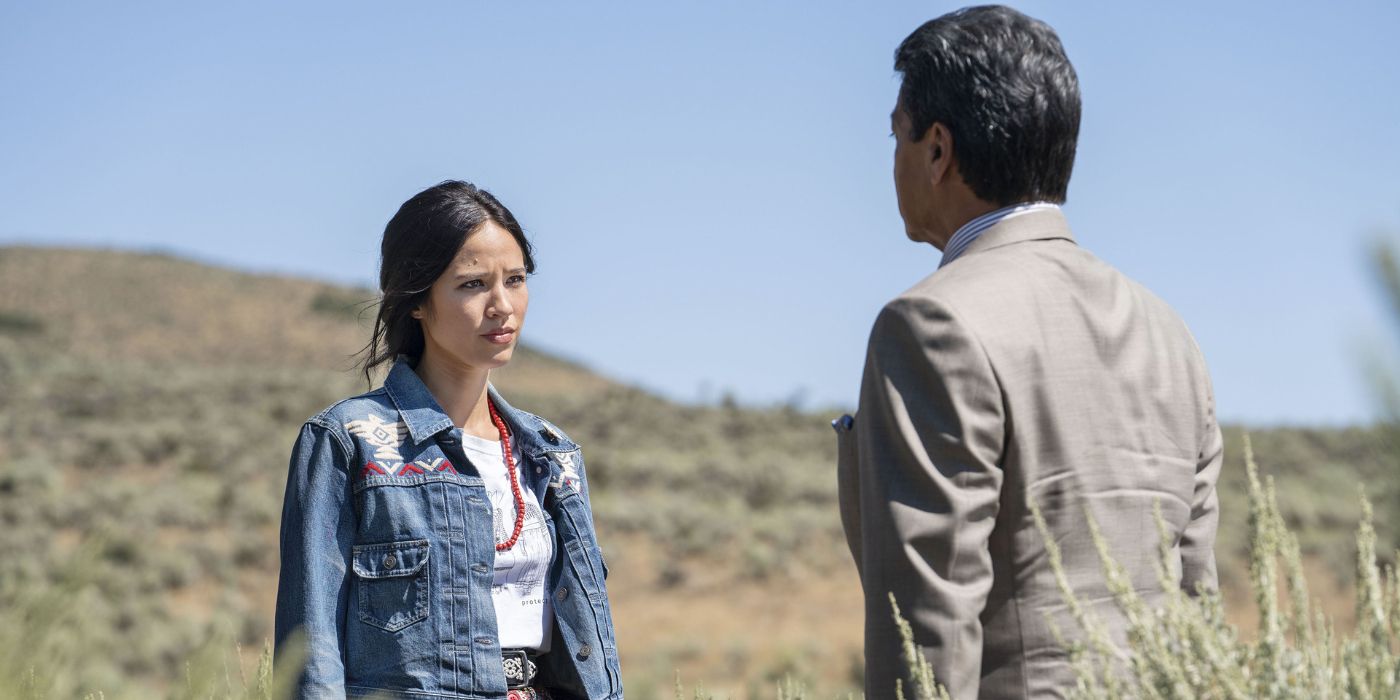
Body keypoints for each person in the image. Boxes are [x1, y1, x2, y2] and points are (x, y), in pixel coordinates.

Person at [834, 6, 1222, 698]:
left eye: (895, 132)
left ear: (936, 150)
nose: (891, 156)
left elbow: (927, 628)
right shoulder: (1171, 334)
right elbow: (1197, 603)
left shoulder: (931, 324)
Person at [275, 181, 623, 700]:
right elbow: (310, 647)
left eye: (516, 279)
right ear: (417, 299)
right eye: (472, 284)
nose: (502, 305)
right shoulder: (350, 444)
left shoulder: (553, 453)